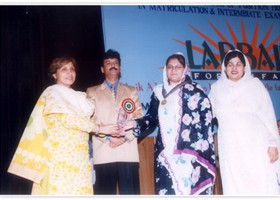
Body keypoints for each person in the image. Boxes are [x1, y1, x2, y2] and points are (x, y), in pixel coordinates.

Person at [7, 56, 119, 195]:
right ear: (55, 74)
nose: (70, 73)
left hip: (80, 157)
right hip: (60, 156)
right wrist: (100, 129)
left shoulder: (80, 96)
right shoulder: (52, 93)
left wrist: (109, 129)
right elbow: (67, 119)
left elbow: (87, 122)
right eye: (64, 69)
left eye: (72, 69)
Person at [124, 52, 216, 195]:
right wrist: (136, 123)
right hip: (164, 153)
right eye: (170, 67)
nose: (173, 70)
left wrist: (201, 151)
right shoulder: (158, 92)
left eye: (178, 67)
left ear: (185, 69)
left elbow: (206, 123)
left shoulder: (196, 92)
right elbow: (150, 117)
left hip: (189, 154)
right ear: (165, 70)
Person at [208, 49, 280, 195]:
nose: (234, 68)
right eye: (230, 64)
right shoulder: (216, 89)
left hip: (256, 148)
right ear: (224, 68)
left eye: (238, 64)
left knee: (259, 184)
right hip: (230, 148)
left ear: (244, 67)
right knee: (234, 185)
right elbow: (206, 115)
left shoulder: (255, 85)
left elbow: (268, 116)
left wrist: (273, 144)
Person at [86, 49, 143, 194]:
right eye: (108, 63)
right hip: (104, 151)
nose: (113, 65)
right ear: (102, 69)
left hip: (127, 151)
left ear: (120, 68)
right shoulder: (92, 91)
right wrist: (108, 137)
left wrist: (124, 137)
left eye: (116, 63)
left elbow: (138, 117)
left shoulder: (131, 91)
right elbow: (90, 120)